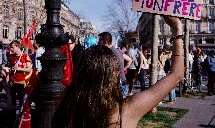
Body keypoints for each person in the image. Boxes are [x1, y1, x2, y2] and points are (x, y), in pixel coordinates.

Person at [52, 16, 184, 127]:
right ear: (114, 75)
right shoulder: (126, 110)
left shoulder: (65, 104)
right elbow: (176, 75)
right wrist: (177, 30)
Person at [98, 32, 132, 99]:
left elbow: (113, 72)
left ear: (105, 41)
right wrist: (123, 69)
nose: (98, 43)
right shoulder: (118, 51)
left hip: (118, 86)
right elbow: (130, 60)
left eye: (99, 41)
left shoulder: (110, 53)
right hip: (122, 83)